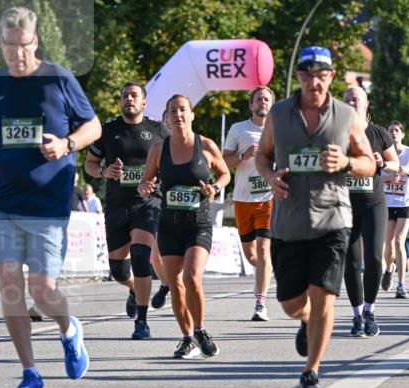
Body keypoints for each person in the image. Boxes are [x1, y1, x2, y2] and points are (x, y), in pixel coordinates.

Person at [0, 5, 101, 388]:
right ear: (1, 44)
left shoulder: (57, 78)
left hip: (47, 202)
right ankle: (30, 373)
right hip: (2, 200)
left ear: (35, 42)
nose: (16, 55)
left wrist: (66, 144)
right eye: (9, 47)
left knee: (42, 291)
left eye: (23, 46)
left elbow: (92, 126)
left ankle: (68, 328)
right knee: (10, 289)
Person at [255, 46, 375, 388]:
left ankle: (311, 372)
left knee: (324, 296)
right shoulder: (278, 114)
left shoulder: (346, 116)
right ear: (300, 77)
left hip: (333, 219)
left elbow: (369, 161)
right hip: (288, 224)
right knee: (292, 303)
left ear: (331, 77)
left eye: (321, 74)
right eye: (307, 74)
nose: (314, 81)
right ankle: (305, 320)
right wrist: (270, 176)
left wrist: (347, 163)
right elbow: (262, 157)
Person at [138, 94, 230, 358]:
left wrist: (215, 187)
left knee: (191, 277)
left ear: (191, 115)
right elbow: (147, 182)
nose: (178, 115)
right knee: (175, 284)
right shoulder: (158, 149)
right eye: (172, 111)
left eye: (182, 110)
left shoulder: (206, 145)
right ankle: (188, 338)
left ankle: (200, 330)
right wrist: (145, 186)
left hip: (198, 224)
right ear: (166, 118)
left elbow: (225, 174)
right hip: (169, 226)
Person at [85, 82, 165, 339]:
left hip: (148, 203)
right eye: (124, 95)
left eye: (134, 95)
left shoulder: (158, 130)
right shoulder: (107, 130)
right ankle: (133, 289)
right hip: (117, 205)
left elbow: (173, 162)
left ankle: (141, 321)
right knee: (118, 270)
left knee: (141, 256)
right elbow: (90, 164)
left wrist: (157, 179)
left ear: (144, 102)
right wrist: (104, 172)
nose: (129, 99)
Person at [342, 85, 398, 336]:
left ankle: (370, 310)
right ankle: (355, 315)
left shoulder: (378, 133)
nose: (352, 103)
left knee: (375, 257)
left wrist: (383, 163)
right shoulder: (334, 133)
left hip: (373, 203)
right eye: (347, 100)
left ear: (367, 104)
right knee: (350, 262)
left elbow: (395, 164)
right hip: (344, 204)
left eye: (357, 99)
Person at [223, 86, 276, 321]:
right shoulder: (238, 129)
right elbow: (224, 162)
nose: (262, 102)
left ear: (272, 105)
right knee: (251, 255)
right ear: (251, 105)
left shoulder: (281, 131)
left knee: (264, 250)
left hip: (269, 198)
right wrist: (242, 157)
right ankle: (269, 270)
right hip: (243, 198)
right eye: (258, 99)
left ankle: (260, 303)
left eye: (267, 99)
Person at [381, 121, 409, 298]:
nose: (393, 133)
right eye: (390, 130)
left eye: (396, 130)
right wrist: (390, 177)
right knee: (388, 243)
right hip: (388, 202)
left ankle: (401, 285)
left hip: (406, 203)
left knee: (399, 241)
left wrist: (408, 172)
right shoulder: (383, 153)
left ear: (402, 134)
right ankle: (389, 268)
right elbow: (376, 179)